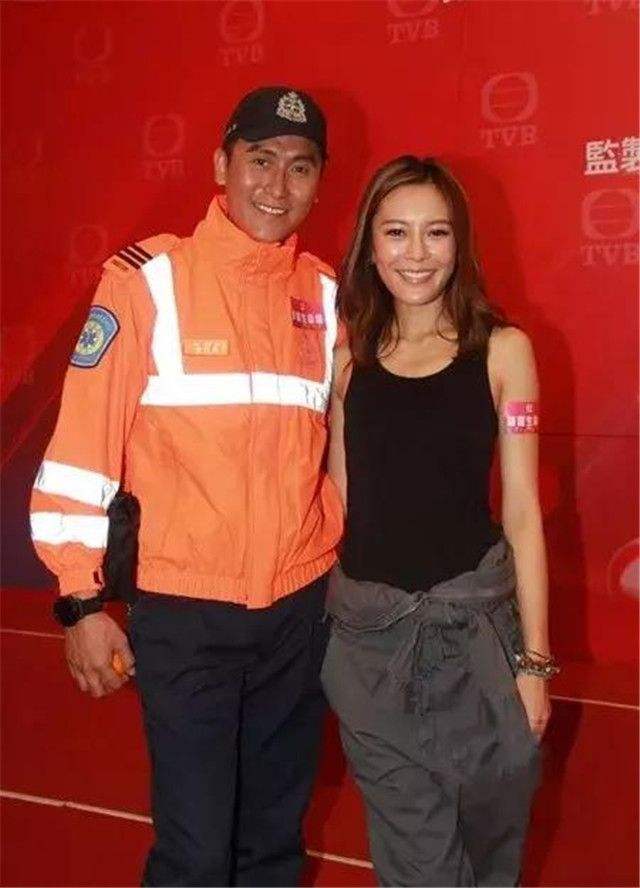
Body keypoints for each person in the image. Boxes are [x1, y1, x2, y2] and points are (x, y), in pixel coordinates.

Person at [30, 86, 343, 887]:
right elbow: (82, 450)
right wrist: (81, 602)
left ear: (319, 183)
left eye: (300, 166)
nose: (277, 185)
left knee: (273, 846)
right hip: (187, 615)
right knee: (196, 855)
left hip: (299, 614)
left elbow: (344, 452)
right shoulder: (146, 281)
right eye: (260, 159)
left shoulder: (327, 295)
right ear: (220, 165)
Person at [321, 155, 558, 887]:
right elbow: (340, 501)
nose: (416, 253)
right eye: (396, 232)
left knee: (491, 855)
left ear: (461, 243)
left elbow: (522, 513)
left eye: (437, 232)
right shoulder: (347, 360)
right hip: (369, 649)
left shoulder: (505, 352)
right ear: (370, 245)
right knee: (419, 865)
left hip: (477, 642)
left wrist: (535, 664)